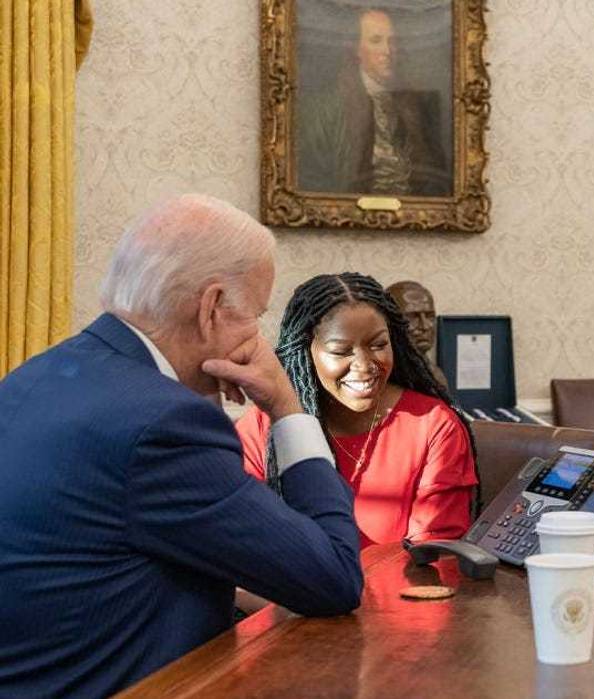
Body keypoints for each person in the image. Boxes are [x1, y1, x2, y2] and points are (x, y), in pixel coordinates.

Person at [0, 195, 363, 698]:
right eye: (254, 315)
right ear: (211, 308)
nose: (258, 339)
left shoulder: (35, 378)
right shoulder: (163, 425)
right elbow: (333, 578)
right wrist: (286, 406)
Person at [235, 273, 479, 548]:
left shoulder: (433, 426)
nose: (364, 365)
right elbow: (247, 544)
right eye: (341, 351)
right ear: (305, 350)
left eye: (378, 345)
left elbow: (432, 553)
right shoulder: (262, 431)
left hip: (399, 590)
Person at [298, 7, 450, 196]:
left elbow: (436, 180)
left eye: (392, 42)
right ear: (357, 50)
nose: (387, 51)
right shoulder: (325, 108)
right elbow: (313, 180)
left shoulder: (419, 106)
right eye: (376, 41)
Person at [386, 279, 448, 390]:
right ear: (389, 322)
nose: (425, 326)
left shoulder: (435, 374)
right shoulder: (382, 377)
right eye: (412, 317)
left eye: (429, 316)